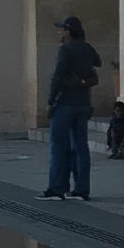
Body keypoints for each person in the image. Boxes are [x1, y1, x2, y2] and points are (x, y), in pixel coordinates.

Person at [44, 14, 100, 198]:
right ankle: (82, 188)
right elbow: (96, 64)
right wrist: (83, 80)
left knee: (59, 146)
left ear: (68, 31)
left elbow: (58, 76)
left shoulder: (65, 49)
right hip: (83, 103)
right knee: (80, 146)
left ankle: (57, 187)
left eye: (61, 29)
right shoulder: (87, 48)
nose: (59, 32)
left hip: (65, 102)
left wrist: (51, 101)